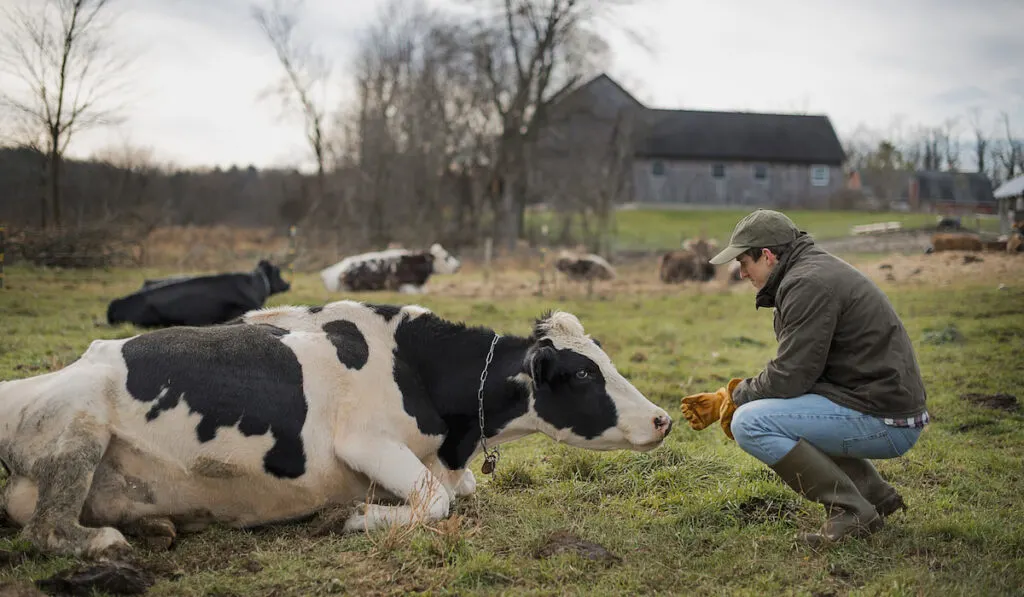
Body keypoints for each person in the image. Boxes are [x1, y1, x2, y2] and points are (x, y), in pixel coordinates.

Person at [680, 209, 928, 545]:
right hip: (880, 404)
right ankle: (873, 496)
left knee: (750, 423)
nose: (740, 273)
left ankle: (852, 513)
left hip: (887, 420)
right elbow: (801, 374)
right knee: (784, 414)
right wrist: (739, 393)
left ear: (767, 256)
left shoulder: (807, 283)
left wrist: (733, 397)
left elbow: (789, 377)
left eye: (743, 263)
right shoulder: (808, 272)